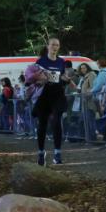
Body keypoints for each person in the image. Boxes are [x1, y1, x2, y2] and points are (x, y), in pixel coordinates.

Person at [26, 37, 72, 165]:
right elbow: (32, 77)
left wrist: (66, 79)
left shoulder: (61, 62)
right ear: (48, 46)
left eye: (57, 45)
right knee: (42, 124)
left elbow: (61, 77)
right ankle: (41, 153)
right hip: (44, 94)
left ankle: (57, 153)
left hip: (57, 94)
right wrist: (40, 78)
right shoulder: (41, 61)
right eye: (52, 45)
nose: (55, 47)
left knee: (57, 121)